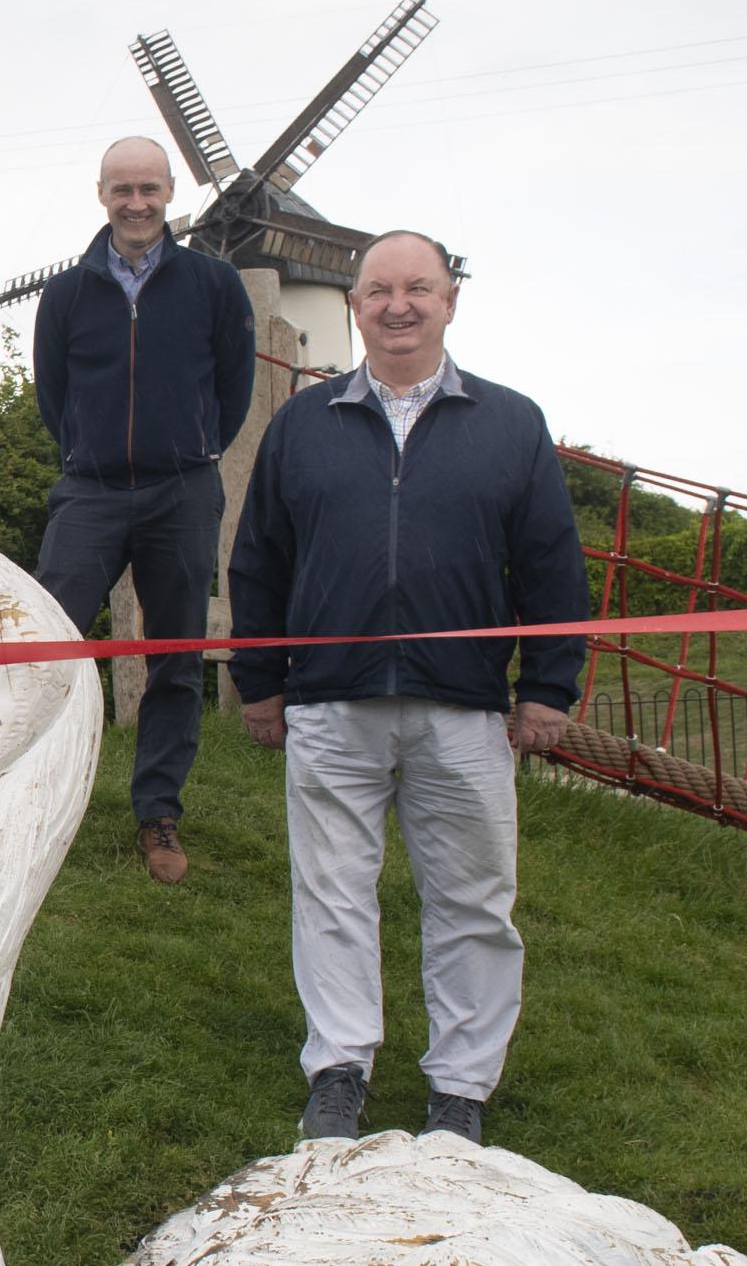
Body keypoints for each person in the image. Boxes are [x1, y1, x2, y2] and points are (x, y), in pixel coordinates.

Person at [227, 229, 588, 1148]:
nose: (398, 304)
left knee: (472, 896)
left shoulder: (510, 422)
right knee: (332, 891)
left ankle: (460, 1089)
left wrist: (547, 685)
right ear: (352, 304)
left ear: (449, 300)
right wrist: (260, 682)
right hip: (329, 702)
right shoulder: (302, 425)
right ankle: (338, 1069)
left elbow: (550, 565)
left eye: (417, 287)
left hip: (460, 707)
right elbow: (261, 560)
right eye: (379, 288)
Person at [29, 135, 260, 884]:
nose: (136, 203)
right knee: (45, 644)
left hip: (181, 489)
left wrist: (188, 448)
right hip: (90, 489)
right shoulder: (65, 294)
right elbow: (52, 397)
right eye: (122, 189)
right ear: (101, 194)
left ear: (169, 193)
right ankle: (26, 792)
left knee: (174, 655)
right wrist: (90, 453)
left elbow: (231, 390)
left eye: (149, 189)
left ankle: (157, 808)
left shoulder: (214, 285)